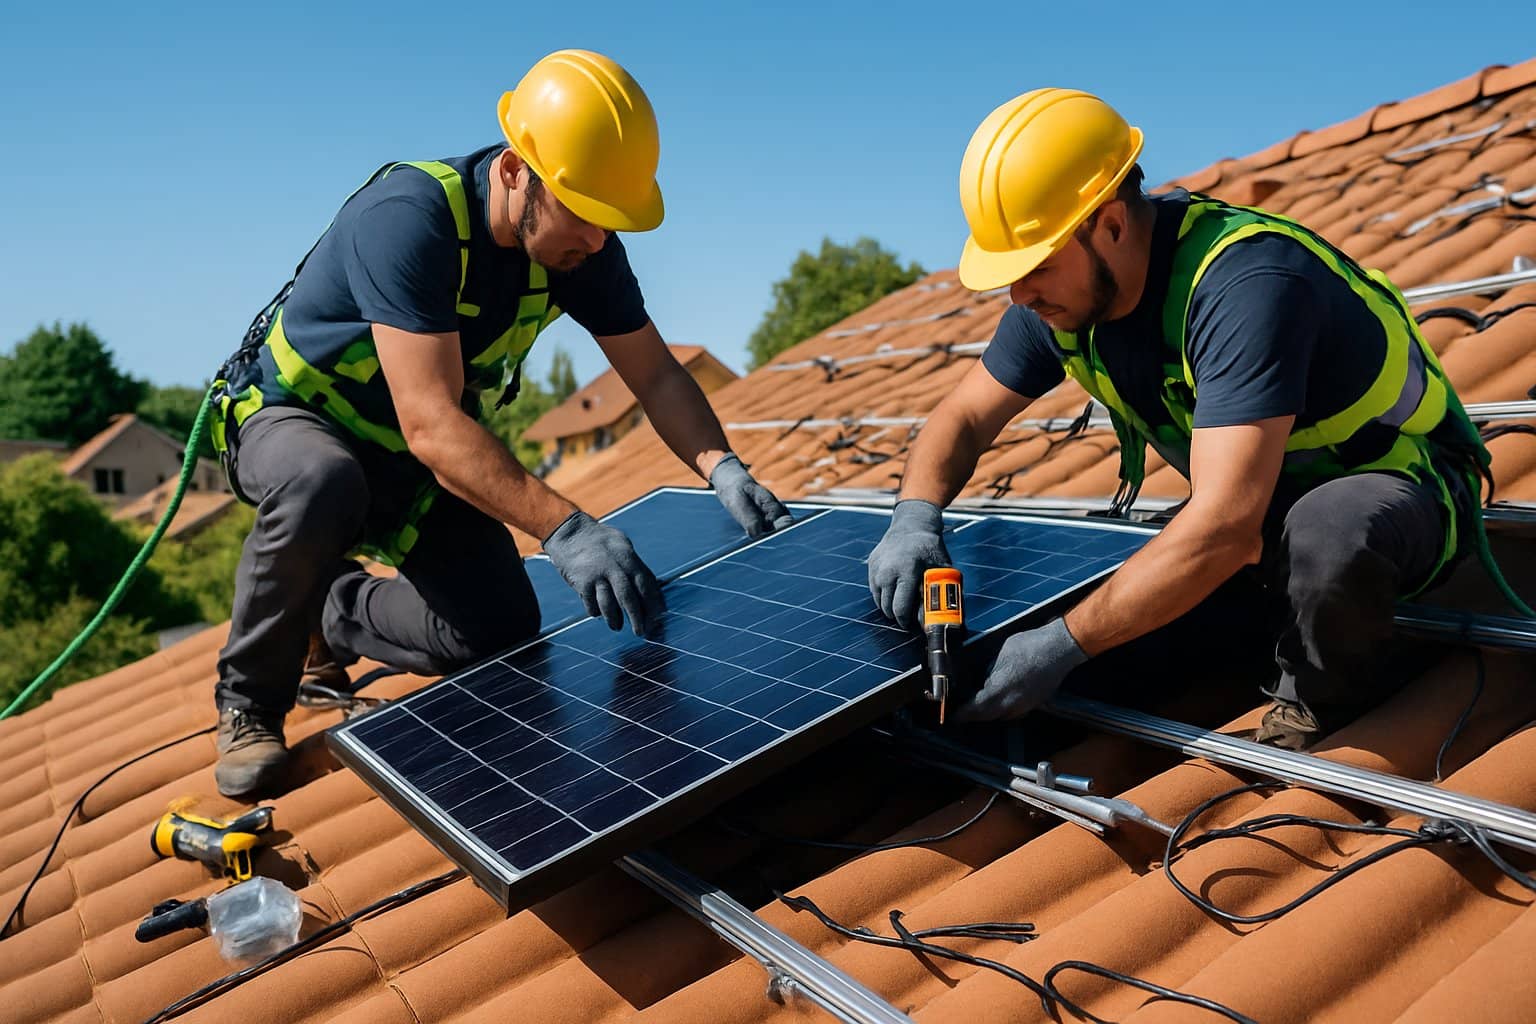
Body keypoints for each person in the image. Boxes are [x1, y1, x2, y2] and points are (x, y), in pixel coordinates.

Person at [208, 50, 792, 798]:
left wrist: (722, 466)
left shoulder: (581, 249)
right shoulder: (408, 220)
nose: (600, 240)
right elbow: (431, 423)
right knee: (324, 480)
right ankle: (249, 704)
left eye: (611, 220)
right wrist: (567, 529)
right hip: (296, 422)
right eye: (584, 212)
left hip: (411, 460)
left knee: (496, 629)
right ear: (517, 171)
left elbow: (654, 373)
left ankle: (327, 604)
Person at [867, 88, 1490, 747]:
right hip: (1261, 508)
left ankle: (1318, 709)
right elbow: (964, 416)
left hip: (1398, 491)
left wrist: (1060, 644)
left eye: (1038, 265)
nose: (1021, 293)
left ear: (1111, 224)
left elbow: (1223, 525)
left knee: (1326, 532)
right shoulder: (1062, 303)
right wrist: (914, 516)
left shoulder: (1246, 285)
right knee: (1123, 618)